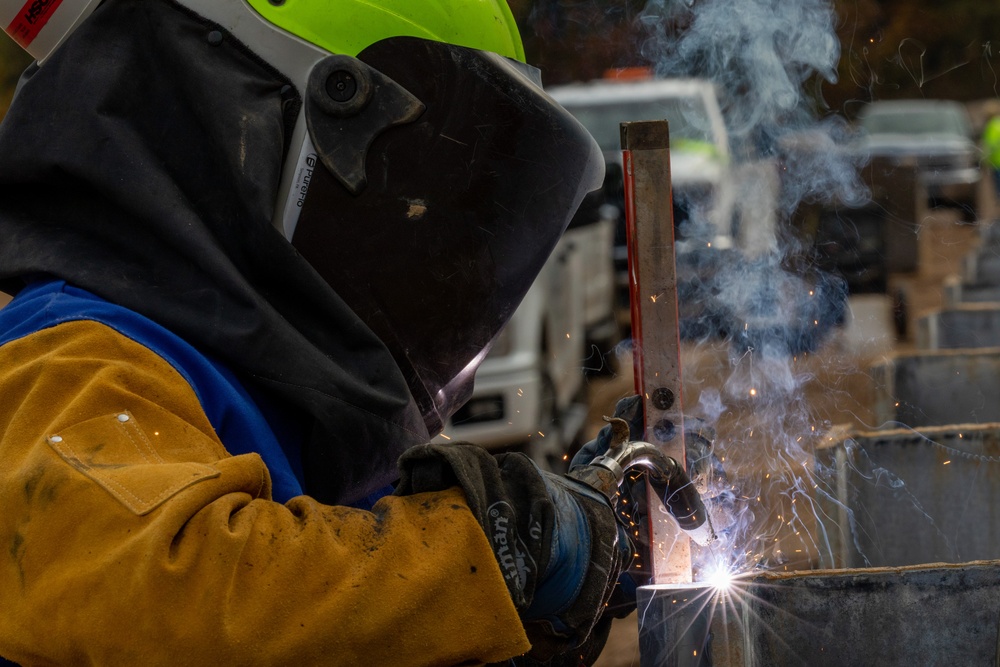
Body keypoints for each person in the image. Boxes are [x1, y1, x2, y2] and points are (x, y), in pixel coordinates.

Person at [0, 0, 636, 664]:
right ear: (249, 111)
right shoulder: (62, 362)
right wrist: (483, 554)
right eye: (404, 192)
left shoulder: (294, 403)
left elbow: (337, 609)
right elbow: (172, 598)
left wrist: (518, 604)